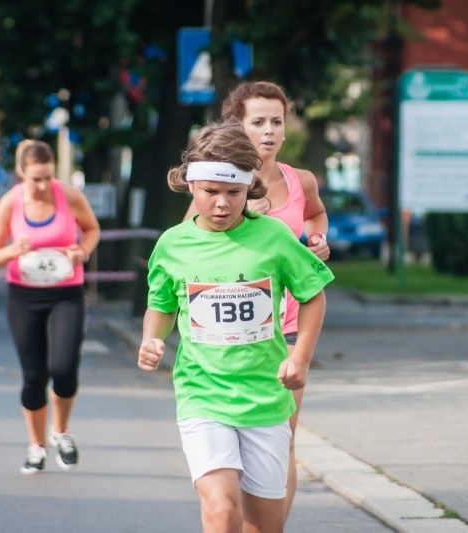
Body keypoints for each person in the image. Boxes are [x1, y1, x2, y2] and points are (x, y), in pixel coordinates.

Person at [139, 120, 334, 532]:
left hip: (265, 397)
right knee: (223, 510)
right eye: (211, 192)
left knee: (265, 524)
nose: (223, 204)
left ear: (250, 188)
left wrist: (301, 357)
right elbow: (160, 305)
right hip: (202, 394)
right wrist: (151, 340)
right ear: (191, 185)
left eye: (234, 192)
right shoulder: (172, 245)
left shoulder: (274, 237)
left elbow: (313, 295)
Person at [184, 80, 330, 521]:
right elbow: (189, 248)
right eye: (258, 122)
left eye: (277, 122)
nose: (268, 131)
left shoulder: (300, 179)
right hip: (237, 335)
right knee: (231, 452)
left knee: (282, 435)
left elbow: (315, 215)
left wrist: (318, 238)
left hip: (286, 325)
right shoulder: (216, 188)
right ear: (238, 128)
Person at [0, 140, 100, 474]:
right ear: (22, 174)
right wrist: (12, 251)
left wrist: (82, 252)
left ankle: (61, 432)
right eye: (36, 179)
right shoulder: (10, 203)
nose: (44, 185)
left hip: (66, 295)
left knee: (63, 368)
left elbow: (91, 230)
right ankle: (36, 445)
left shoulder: (69, 195)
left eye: (48, 177)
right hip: (25, 297)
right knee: (34, 376)